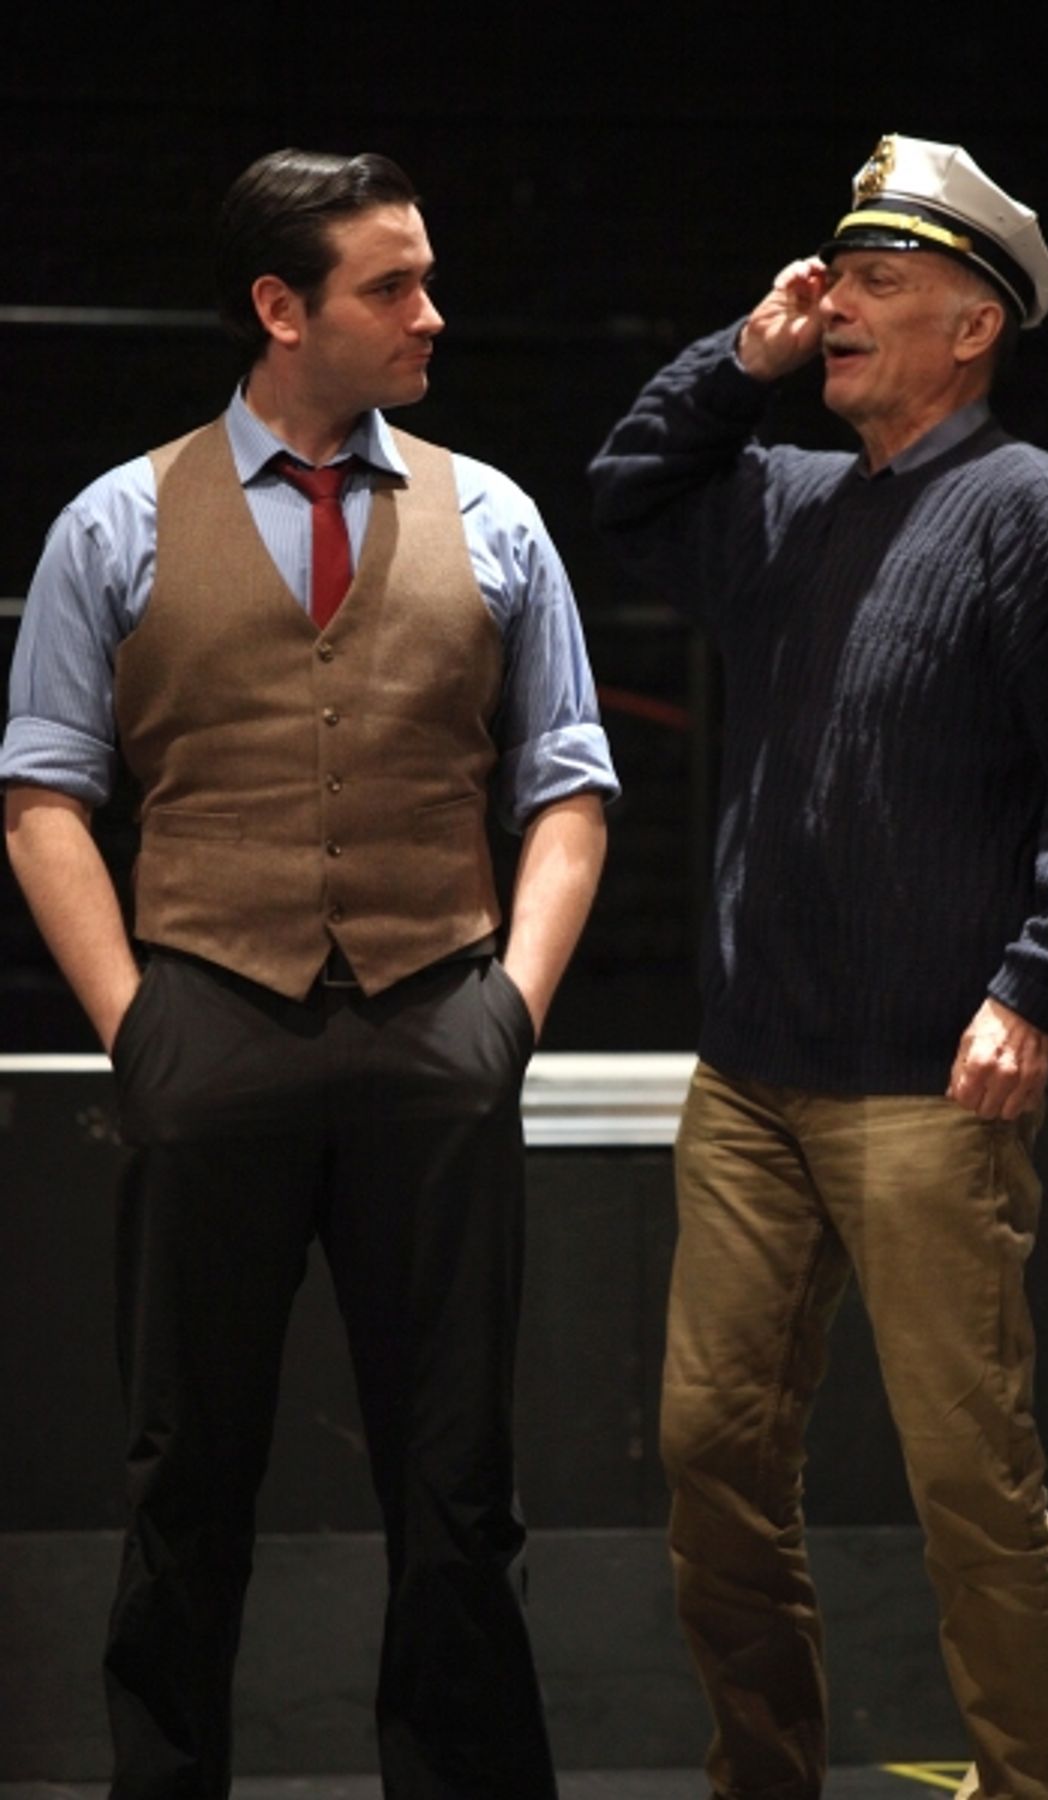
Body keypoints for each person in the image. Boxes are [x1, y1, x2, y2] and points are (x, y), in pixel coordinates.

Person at [1, 146, 618, 1800]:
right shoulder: (117, 522)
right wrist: (141, 1026)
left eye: (425, 275)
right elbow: (44, 796)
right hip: (209, 1022)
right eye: (391, 285)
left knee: (458, 1481)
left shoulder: (494, 519)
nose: (433, 310)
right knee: (185, 1474)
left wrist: (508, 1015)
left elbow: (567, 789)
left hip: (440, 1023)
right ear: (282, 310)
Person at [589, 133, 1048, 1800]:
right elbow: (628, 492)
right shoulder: (781, 505)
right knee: (710, 1455)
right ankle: (762, 1776)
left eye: (879, 285)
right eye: (834, 276)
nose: (836, 304)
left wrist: (1034, 991)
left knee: (967, 1480)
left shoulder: (1034, 510)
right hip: (753, 1080)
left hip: (932, 1082)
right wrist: (741, 360)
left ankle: (1032, 1789)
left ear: (973, 328)